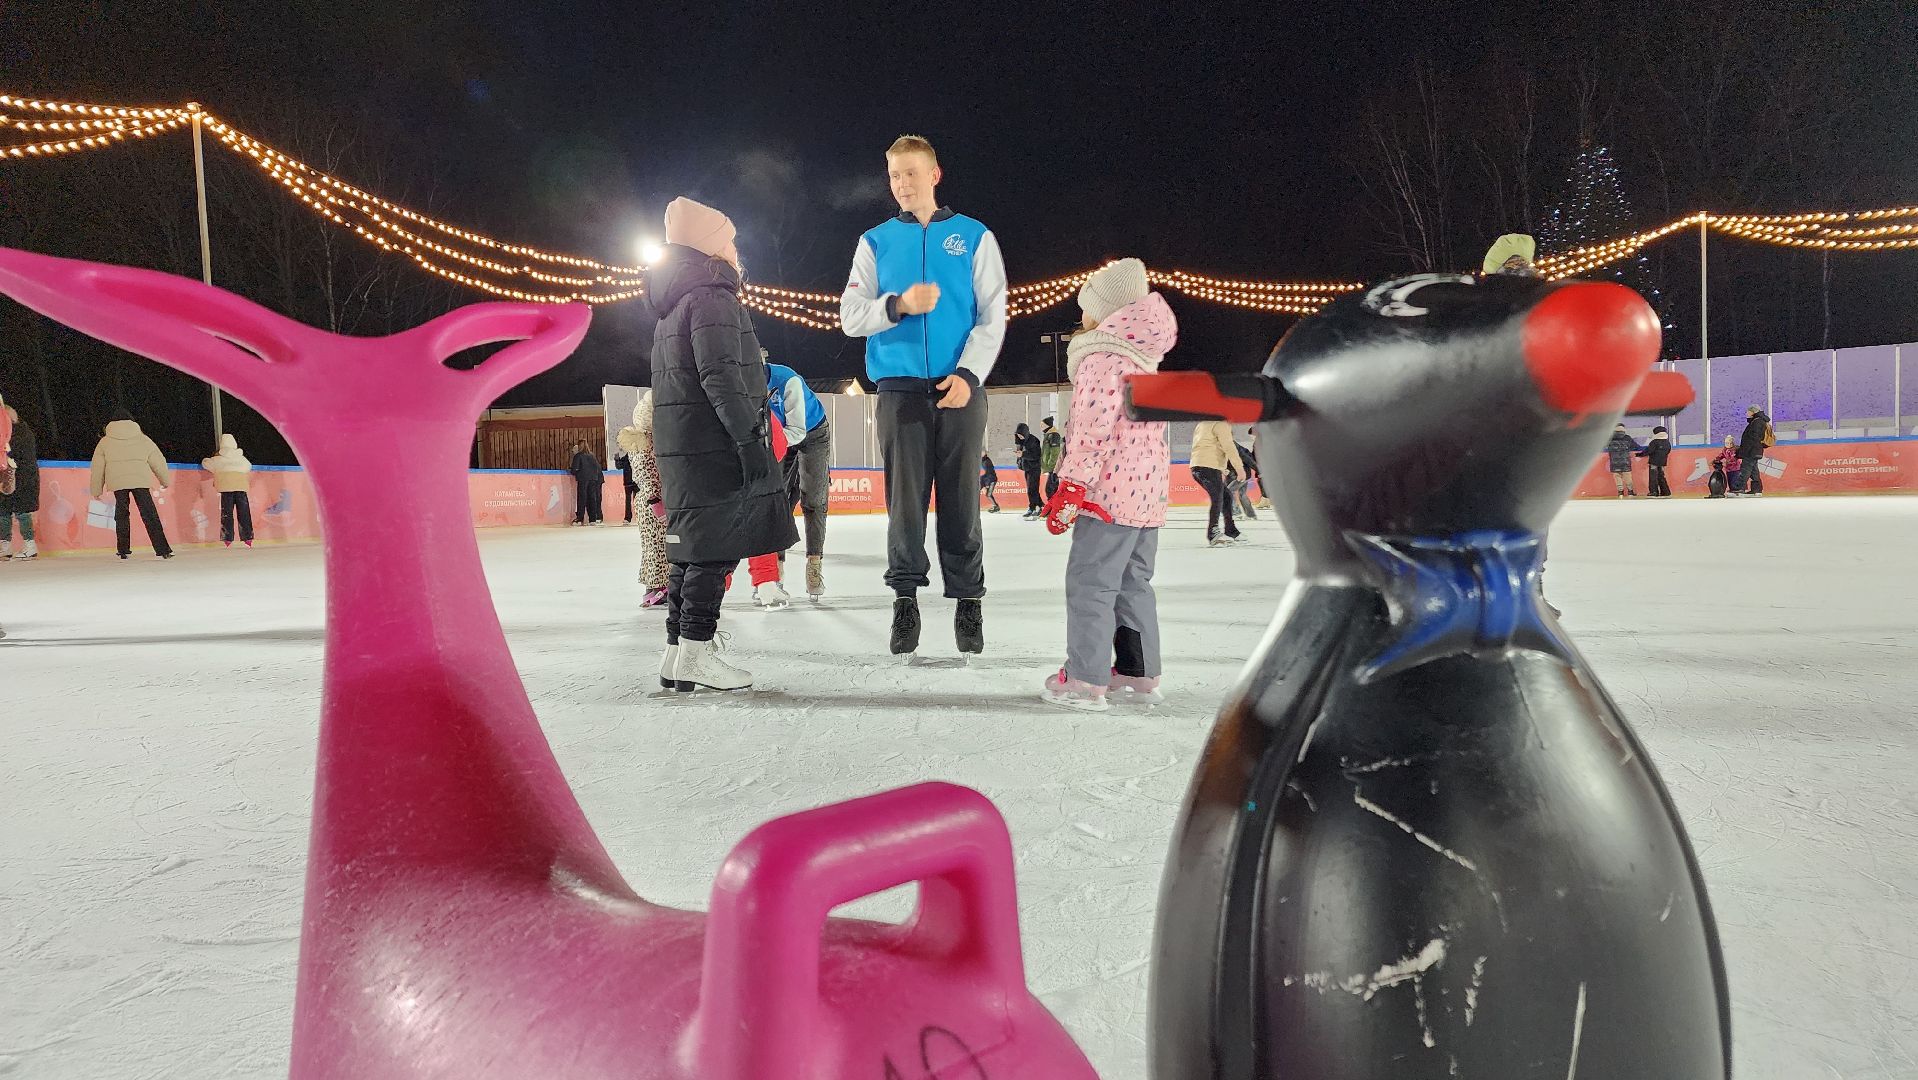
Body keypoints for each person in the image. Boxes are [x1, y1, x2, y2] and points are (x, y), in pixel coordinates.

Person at [839, 134, 1006, 657]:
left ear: (934, 175)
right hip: (899, 389)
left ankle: (968, 601)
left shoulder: (975, 236)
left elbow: (992, 314)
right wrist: (897, 305)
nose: (902, 184)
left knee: (962, 502)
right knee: (903, 505)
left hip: (960, 387)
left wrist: (969, 375)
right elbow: (849, 315)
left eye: (911, 173)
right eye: (893, 176)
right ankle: (905, 600)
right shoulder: (875, 241)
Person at [647, 196, 795, 691]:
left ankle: (677, 651)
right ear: (710, 246)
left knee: (690, 548)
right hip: (713, 442)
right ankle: (697, 649)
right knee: (715, 546)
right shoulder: (711, 296)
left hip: (684, 443)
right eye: (729, 239)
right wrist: (750, 441)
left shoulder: (673, 304)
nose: (736, 249)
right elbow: (721, 375)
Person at [1039, 259, 1175, 711]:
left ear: (1108, 312)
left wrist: (1072, 485)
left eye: (1087, 309)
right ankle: (1137, 672)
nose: (1082, 318)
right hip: (1147, 498)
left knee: (1091, 584)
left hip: (1108, 494)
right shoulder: (1148, 360)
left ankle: (1085, 677)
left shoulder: (1102, 359)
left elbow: (1092, 429)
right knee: (1134, 583)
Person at [765, 351, 832, 600]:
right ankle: (776, 571)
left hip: (812, 432)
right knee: (777, 499)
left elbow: (797, 430)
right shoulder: (743, 383)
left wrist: (771, 446)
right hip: (781, 435)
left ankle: (814, 565)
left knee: (813, 499)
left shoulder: (787, 380)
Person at [89, 409, 174, 559]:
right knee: (149, 514)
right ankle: (163, 549)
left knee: (121, 515)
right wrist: (164, 480)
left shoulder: (105, 442)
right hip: (140, 480)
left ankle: (123, 550)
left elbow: (97, 468)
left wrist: (96, 490)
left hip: (118, 481)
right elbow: (158, 461)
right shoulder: (143, 439)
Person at [616, 392, 669, 607]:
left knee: (652, 546)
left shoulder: (642, 441)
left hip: (648, 501)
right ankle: (659, 587)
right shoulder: (646, 444)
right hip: (653, 502)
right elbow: (648, 477)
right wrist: (659, 506)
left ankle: (655, 586)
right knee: (659, 546)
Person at [1189, 419, 1243, 546]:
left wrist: (1223, 468)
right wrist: (1239, 468)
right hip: (1208, 465)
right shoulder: (1221, 423)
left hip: (1198, 465)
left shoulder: (1203, 423)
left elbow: (1205, 445)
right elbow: (1228, 446)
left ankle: (1231, 530)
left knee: (1226, 496)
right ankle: (1213, 533)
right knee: (1218, 498)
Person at [200, 432, 255, 547]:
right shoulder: (241, 458)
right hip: (241, 488)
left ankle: (227, 538)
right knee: (244, 513)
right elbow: (248, 466)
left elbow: (206, 464)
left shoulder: (218, 459)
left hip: (226, 489)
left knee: (227, 514)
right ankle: (247, 538)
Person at [0, 405, 39, 559]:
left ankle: (29, 544)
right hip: (8, 479)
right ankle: (5, 545)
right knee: (3, 511)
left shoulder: (20, 434)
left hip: (22, 479)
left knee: (21, 511)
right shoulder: (13, 434)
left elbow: (13, 454)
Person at [1737, 403, 1773, 496]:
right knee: (1754, 471)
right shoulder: (1759, 421)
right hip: (1755, 450)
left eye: (1748, 411)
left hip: (1751, 451)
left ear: (1753, 412)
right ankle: (1757, 490)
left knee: (1745, 469)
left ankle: (1739, 488)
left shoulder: (1756, 422)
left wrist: (1744, 451)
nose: (1747, 413)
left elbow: (1753, 438)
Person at [568, 441, 604, 525]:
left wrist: (574, 471)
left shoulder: (578, 456)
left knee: (582, 499)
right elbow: (597, 468)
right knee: (592, 499)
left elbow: (574, 469)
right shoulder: (592, 456)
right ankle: (593, 519)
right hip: (593, 479)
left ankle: (580, 519)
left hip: (583, 479)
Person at [1605, 423, 1645, 497]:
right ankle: (1630, 492)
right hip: (1625, 461)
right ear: (1623, 429)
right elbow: (1636, 447)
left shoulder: (1609, 438)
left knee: (1617, 477)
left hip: (1614, 461)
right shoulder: (1627, 438)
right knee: (1627, 477)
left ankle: (1620, 492)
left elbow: (1603, 446)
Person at [1014, 422, 1044, 518]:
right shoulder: (1021, 441)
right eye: (1018, 435)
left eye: (1021, 435)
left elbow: (1036, 456)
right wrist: (1019, 460)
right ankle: (1041, 506)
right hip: (1027, 468)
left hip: (1034, 468)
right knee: (1032, 489)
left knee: (1032, 489)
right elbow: (1021, 454)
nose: (1019, 437)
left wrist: (1022, 454)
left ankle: (1032, 508)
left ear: (1025, 433)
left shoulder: (1033, 441)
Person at [1230, 435, 1260, 519]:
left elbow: (1247, 459)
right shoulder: (1237, 446)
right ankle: (1251, 515)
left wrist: (1258, 470)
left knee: (1228, 491)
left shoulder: (1233, 446)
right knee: (1242, 494)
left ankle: (1236, 513)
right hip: (1242, 473)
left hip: (1239, 474)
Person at [1638, 425, 1673, 498]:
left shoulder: (1654, 442)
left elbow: (1649, 451)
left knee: (1653, 477)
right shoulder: (1667, 442)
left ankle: (1654, 492)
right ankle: (1666, 492)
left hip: (1654, 462)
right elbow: (1668, 451)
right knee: (1661, 477)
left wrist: (1640, 454)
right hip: (1663, 462)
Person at [613, 442, 637, 525]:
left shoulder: (635, 457)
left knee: (635, 500)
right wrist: (617, 459)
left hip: (634, 482)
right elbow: (619, 466)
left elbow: (619, 466)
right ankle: (628, 518)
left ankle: (633, 517)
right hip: (630, 482)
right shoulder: (626, 458)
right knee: (630, 501)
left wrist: (617, 459)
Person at [1040, 416, 1064, 499]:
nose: (1041, 427)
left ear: (1048, 425)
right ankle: (1052, 508)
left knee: (1050, 489)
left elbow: (1055, 453)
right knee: (1050, 489)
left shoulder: (1054, 436)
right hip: (1051, 468)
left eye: (1042, 425)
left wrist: (1050, 466)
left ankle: (1053, 508)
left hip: (1054, 468)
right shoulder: (1048, 435)